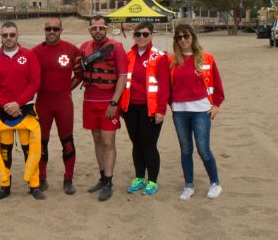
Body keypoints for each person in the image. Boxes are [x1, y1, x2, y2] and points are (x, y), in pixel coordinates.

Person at [0, 21, 42, 200]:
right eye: (5, 35)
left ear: (18, 36)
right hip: (3, 112)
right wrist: (6, 105)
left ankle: (34, 185)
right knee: (4, 151)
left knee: (30, 149)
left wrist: (18, 103)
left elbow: (35, 82)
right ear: (1, 36)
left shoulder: (29, 55)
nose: (8, 38)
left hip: (24, 110)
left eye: (12, 34)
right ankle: (5, 186)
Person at [169, 23, 225, 200]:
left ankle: (215, 183)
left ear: (193, 37)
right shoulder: (170, 60)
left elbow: (217, 84)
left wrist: (216, 105)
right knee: (185, 150)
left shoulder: (206, 58)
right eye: (179, 37)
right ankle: (189, 185)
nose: (183, 40)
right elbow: (165, 86)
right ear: (175, 40)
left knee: (203, 149)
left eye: (186, 36)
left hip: (201, 111)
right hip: (179, 112)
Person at [79, 15, 127, 201]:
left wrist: (114, 102)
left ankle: (108, 181)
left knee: (108, 142)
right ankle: (102, 177)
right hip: (89, 102)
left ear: (106, 28)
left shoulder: (116, 47)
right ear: (90, 30)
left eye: (101, 27)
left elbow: (122, 76)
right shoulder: (84, 48)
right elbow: (76, 71)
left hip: (109, 103)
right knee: (97, 140)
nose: (97, 31)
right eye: (94, 28)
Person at [32, 18, 82, 194]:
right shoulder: (35, 52)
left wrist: (67, 88)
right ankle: (42, 177)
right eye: (48, 29)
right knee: (41, 142)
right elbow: (28, 78)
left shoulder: (71, 50)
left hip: (63, 103)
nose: (51, 32)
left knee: (67, 141)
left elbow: (80, 73)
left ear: (61, 30)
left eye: (55, 28)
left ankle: (68, 179)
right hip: (43, 103)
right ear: (44, 30)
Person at [120, 21, 170, 196]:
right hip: (130, 108)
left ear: (152, 35)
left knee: (149, 144)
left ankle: (153, 181)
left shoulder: (159, 57)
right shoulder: (128, 56)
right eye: (138, 34)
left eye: (145, 34)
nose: (141, 37)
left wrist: (161, 110)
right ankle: (139, 177)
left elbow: (164, 86)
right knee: (136, 143)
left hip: (150, 109)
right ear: (134, 36)